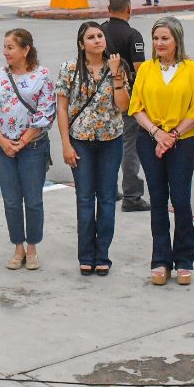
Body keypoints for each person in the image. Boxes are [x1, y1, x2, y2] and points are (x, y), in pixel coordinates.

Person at [129, 17, 194, 286]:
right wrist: (157, 133)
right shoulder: (146, 70)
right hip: (150, 140)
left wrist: (172, 136)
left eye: (165, 38)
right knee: (158, 200)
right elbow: (136, 107)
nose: (159, 43)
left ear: (177, 40)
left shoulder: (192, 69)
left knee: (181, 200)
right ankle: (161, 260)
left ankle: (184, 259)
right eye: (156, 38)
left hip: (183, 142)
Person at [56, 22, 130, 276]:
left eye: (100, 36)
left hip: (111, 140)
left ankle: (103, 255)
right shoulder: (69, 69)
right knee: (85, 198)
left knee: (108, 198)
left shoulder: (117, 67)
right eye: (91, 37)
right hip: (81, 141)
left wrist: (117, 75)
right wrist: (66, 144)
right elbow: (62, 108)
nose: (97, 40)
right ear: (81, 44)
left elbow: (123, 106)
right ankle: (86, 255)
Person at [0, 28, 55, 271]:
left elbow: (46, 113)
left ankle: (32, 248)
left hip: (32, 147)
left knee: (33, 200)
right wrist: (2, 141)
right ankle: (18, 247)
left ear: (26, 50)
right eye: (4, 47)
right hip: (3, 148)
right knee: (11, 201)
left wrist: (22, 142)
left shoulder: (42, 76)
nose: (6, 52)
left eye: (11, 47)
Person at [100, 0, 149, 211]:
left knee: (108, 144)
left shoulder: (98, 31)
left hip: (102, 97)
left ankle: (109, 189)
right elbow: (141, 71)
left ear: (108, 9)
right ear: (129, 9)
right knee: (130, 145)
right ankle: (132, 196)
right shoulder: (133, 35)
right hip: (126, 97)